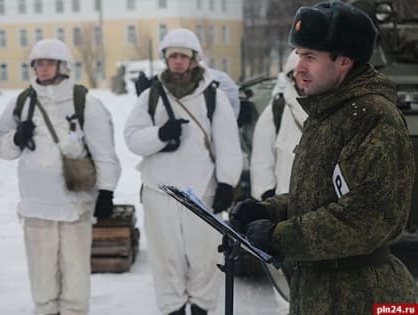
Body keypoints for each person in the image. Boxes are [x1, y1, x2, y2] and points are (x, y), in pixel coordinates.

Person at [229, 1, 417, 314]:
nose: (299, 66)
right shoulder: (329, 112)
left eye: (310, 57)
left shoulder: (372, 118)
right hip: (323, 291)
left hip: (361, 297)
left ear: (344, 61)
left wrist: (280, 237)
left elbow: (366, 218)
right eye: (299, 55)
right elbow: (320, 196)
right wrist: (269, 210)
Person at [0, 38, 121, 315]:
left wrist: (107, 191)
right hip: (36, 206)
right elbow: (1, 146)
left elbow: (105, 152)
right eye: (38, 63)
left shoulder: (85, 103)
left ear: (62, 66)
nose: (42, 68)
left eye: (49, 62)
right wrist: (16, 138)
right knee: (42, 278)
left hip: (74, 206)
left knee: (75, 276)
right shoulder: (22, 102)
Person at [124, 28, 242, 315]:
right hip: (159, 192)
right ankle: (172, 308)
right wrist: (160, 134)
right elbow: (132, 137)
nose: (177, 61)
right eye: (172, 56)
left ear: (194, 60)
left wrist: (226, 184)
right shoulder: (151, 95)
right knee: (166, 260)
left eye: (183, 56)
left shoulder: (212, 96)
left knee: (204, 259)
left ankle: (201, 308)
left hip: (202, 193)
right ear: (165, 58)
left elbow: (228, 144)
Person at [250, 50, 307, 201]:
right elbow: (262, 156)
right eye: (299, 72)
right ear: (291, 75)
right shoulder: (278, 109)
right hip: (285, 201)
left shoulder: (334, 107)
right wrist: (265, 193)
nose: (304, 76)